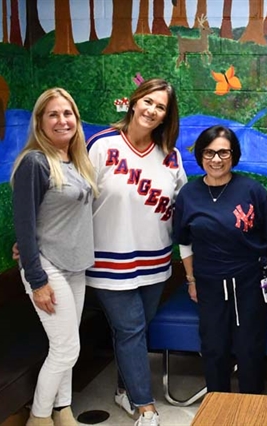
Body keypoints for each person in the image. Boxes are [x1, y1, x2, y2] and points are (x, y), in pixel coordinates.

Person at [86, 79, 187, 426]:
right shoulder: (100, 144)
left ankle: (123, 390)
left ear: (165, 117)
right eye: (148, 101)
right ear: (134, 102)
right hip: (107, 262)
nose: (152, 110)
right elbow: (74, 197)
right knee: (130, 330)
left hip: (156, 262)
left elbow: (182, 203)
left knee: (136, 329)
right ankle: (145, 407)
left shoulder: (170, 155)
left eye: (160, 107)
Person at [11, 88, 98, 426]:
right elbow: (24, 223)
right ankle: (40, 417)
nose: (62, 120)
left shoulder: (74, 161)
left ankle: (63, 411)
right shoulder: (35, 162)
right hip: (47, 268)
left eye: (68, 114)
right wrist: (37, 280)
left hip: (75, 266)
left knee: (66, 347)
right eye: (53, 114)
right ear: (40, 122)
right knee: (66, 349)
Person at [172, 125, 267, 394]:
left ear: (234, 155)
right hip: (208, 281)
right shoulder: (189, 194)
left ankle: (252, 406)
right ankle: (217, 405)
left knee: (250, 347)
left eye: (223, 152)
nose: (216, 159)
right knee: (213, 347)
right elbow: (184, 242)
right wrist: (191, 279)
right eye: (209, 152)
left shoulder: (252, 190)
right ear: (200, 155)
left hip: (249, 281)